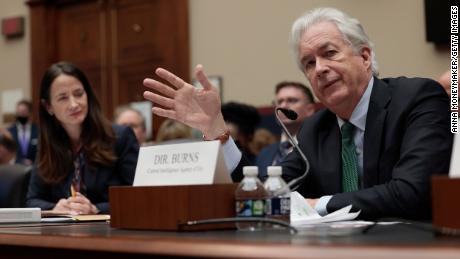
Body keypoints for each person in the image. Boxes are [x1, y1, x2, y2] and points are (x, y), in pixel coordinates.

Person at [143, 7, 452, 220]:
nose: (320, 69)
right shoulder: (316, 128)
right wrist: (217, 130)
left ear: (365, 56)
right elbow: (264, 195)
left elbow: (413, 192)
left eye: (329, 53)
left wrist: (319, 205)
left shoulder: (418, 99)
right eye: (308, 63)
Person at [26, 62, 139, 215]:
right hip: (62, 233)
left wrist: (96, 208)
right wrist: (55, 208)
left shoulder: (120, 137)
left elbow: (137, 196)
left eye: (79, 94)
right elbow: (32, 200)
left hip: (110, 232)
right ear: (48, 107)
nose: (74, 104)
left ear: (88, 95)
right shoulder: (47, 145)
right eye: (63, 98)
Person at [256, 81, 315, 177]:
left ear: (310, 109)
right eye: (279, 102)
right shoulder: (265, 153)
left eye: (292, 100)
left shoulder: (319, 148)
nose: (283, 106)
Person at [8, 99, 39, 165]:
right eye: (19, 112)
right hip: (16, 169)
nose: (21, 114)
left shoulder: (38, 131)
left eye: (24, 111)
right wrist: (19, 161)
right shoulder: (9, 131)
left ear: (30, 113)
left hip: (34, 168)